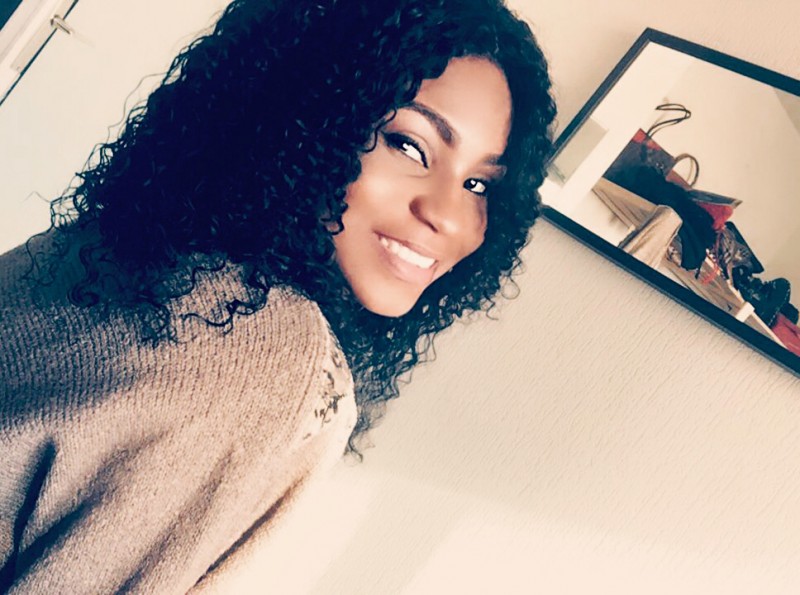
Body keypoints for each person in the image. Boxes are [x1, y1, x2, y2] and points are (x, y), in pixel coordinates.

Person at [0, 0, 555, 591]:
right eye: (408, 145)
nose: (448, 215)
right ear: (305, 118)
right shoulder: (274, 360)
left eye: (477, 184)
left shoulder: (107, 252)